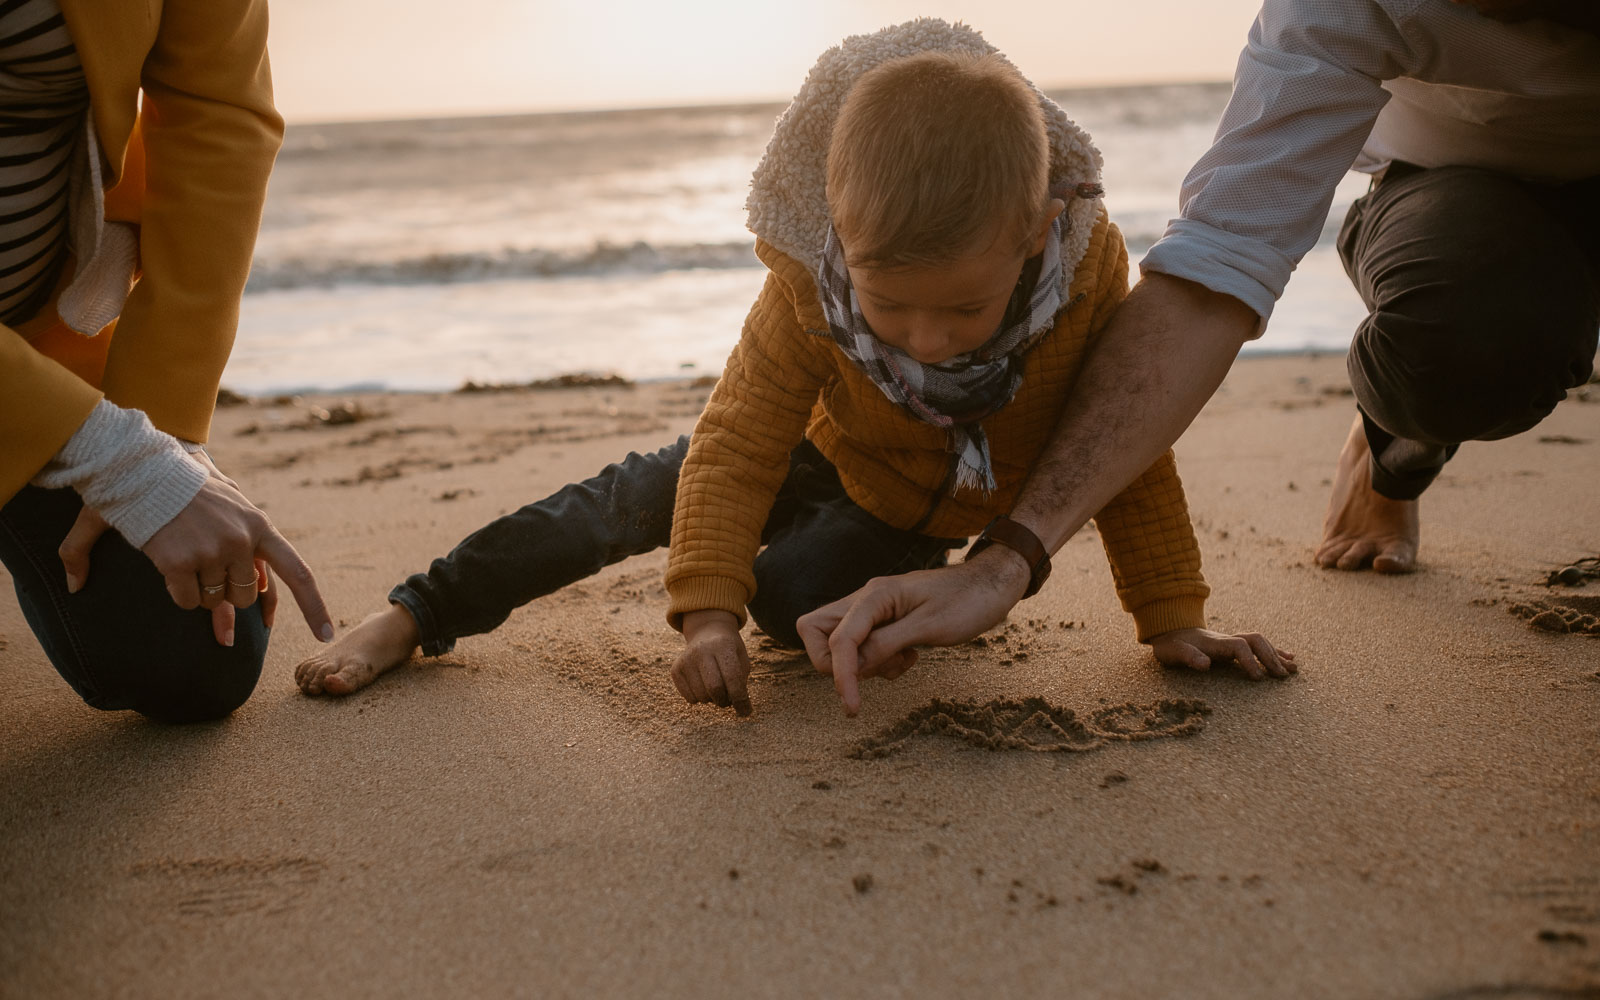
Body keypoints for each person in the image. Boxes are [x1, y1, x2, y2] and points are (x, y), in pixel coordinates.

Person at [295, 20, 1294, 716]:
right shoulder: (805, 293)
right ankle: (415, 611)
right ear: (838, 236)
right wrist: (702, 616)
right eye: (887, 302)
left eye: (963, 308)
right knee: (634, 496)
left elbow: (1123, 449)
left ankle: (887, 584)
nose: (925, 338)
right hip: (832, 458)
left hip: (950, 509)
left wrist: (1173, 621)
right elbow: (735, 448)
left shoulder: (1081, 284)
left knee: (794, 603)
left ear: (1035, 232)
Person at [796, 0, 1598, 697]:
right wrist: (1002, 563)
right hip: (1466, 189)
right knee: (1469, 340)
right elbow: (1214, 270)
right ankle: (1395, 445)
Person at [0, 0, 333, 723]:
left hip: (40, 342)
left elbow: (220, 112)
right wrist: (118, 459)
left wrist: (159, 434)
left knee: (196, 652)